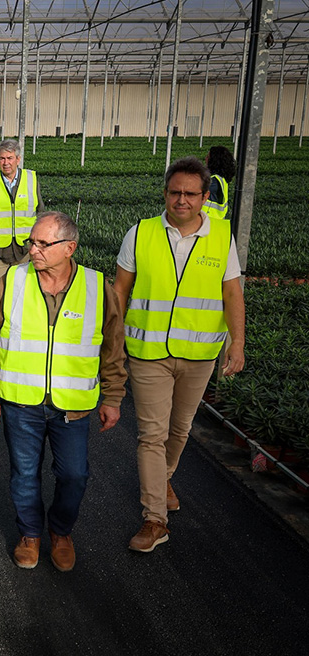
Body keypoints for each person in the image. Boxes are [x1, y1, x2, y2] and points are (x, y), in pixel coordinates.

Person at [0, 211, 127, 572]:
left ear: (69, 248)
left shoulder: (95, 287)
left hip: (71, 407)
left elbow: (113, 348)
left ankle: (60, 531)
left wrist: (114, 397)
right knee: (24, 473)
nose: (33, 249)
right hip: (19, 402)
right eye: (32, 241)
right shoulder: (13, 280)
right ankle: (30, 534)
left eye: (44, 243)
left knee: (74, 475)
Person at [113, 156, 245, 554]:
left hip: (200, 352)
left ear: (206, 197)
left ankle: (163, 477)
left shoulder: (222, 237)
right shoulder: (141, 233)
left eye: (190, 193)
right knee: (151, 434)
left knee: (180, 428)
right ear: (165, 193)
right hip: (148, 350)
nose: (181, 200)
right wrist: (111, 340)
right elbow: (120, 290)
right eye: (175, 192)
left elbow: (232, 292)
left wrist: (236, 342)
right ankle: (154, 519)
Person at [0, 139, 46, 284]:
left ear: (18, 159)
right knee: (0, 295)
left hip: (25, 251)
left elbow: (41, 215)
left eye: (10, 158)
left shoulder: (31, 180)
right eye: (2, 158)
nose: (6, 162)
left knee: (23, 294)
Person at [204, 145, 236, 221]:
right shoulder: (222, 179)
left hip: (208, 222)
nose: (205, 159)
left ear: (214, 161)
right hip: (215, 221)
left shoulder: (214, 182)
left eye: (208, 157)